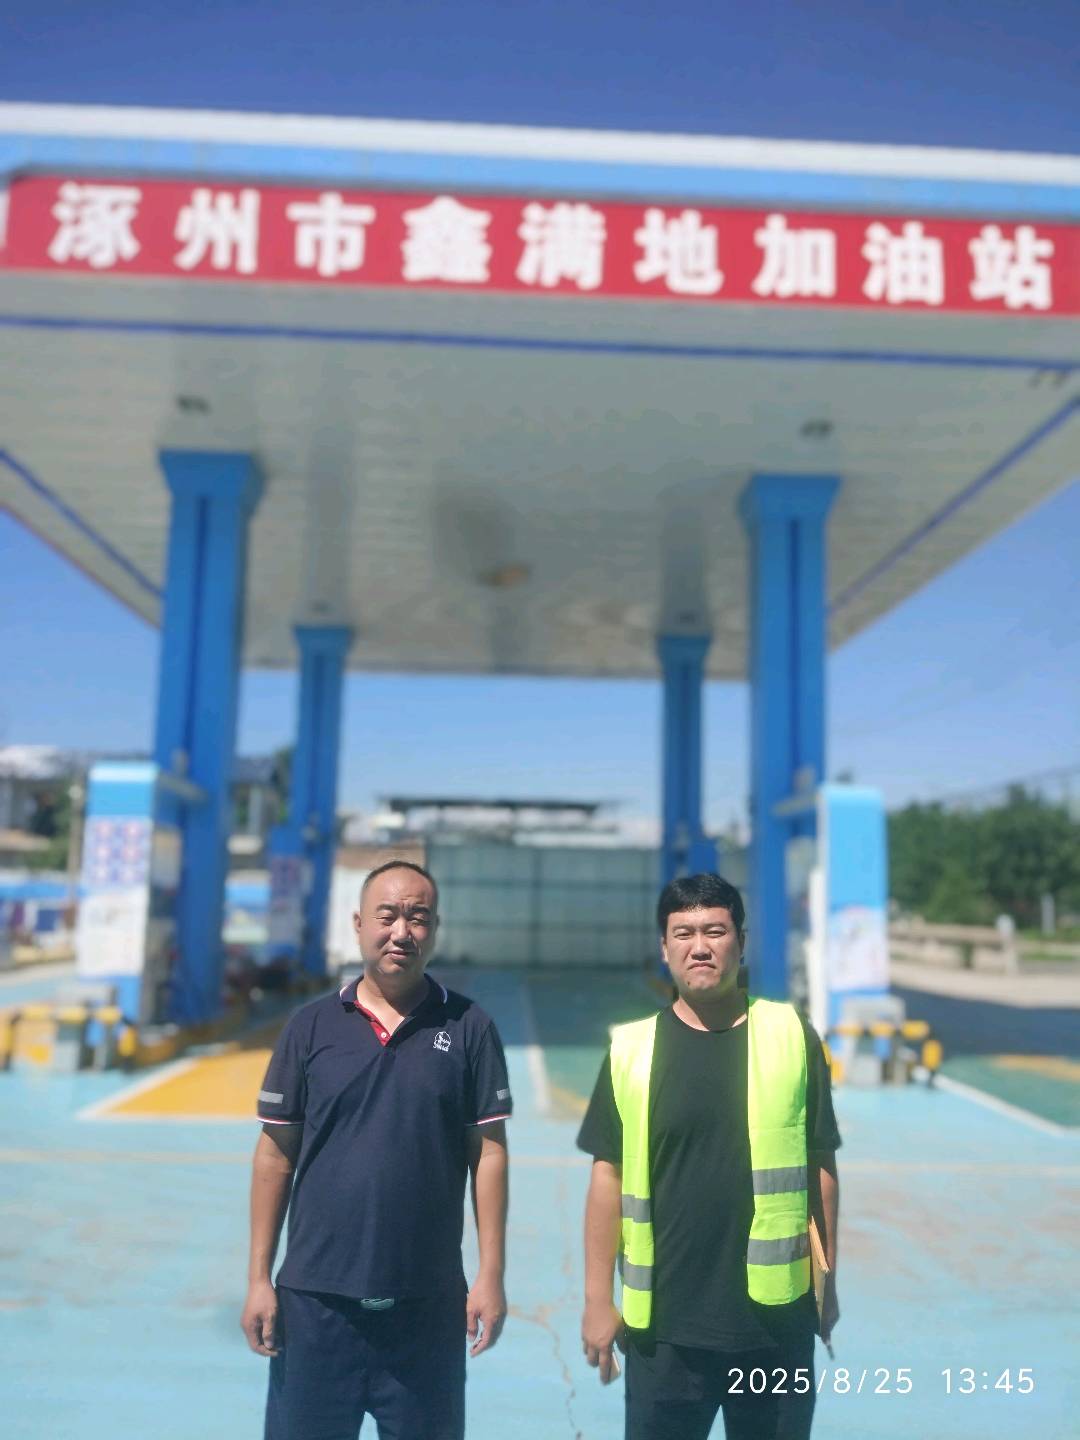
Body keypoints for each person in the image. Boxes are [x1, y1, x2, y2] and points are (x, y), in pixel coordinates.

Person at [241, 858, 511, 1440]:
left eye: (418, 918)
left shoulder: (469, 1027)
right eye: (387, 916)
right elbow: (275, 1155)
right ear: (359, 923)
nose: (401, 932)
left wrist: (490, 1274)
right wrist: (259, 1278)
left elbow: (488, 1154)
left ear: (435, 929)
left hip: (427, 1305)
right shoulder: (310, 1027)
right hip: (315, 1303)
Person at [578, 873, 840, 1440]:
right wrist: (598, 1299)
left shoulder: (792, 1037)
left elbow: (821, 1165)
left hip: (775, 1327)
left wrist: (828, 1284)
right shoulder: (630, 1051)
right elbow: (607, 1177)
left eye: (715, 931)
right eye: (684, 933)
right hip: (663, 1333)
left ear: (741, 942)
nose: (700, 946)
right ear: (664, 948)